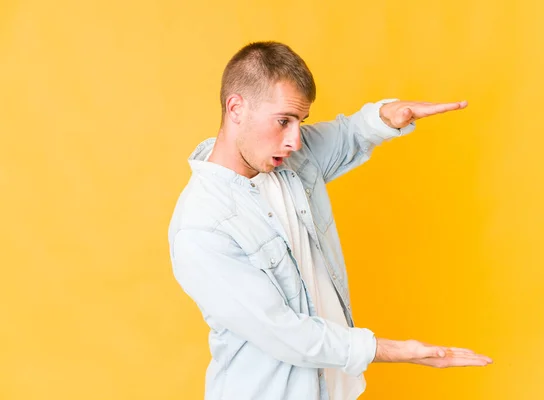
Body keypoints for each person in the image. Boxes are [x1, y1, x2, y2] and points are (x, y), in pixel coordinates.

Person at [167, 41, 492, 400]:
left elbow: (350, 133)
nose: (295, 140)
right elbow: (285, 333)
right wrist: (397, 351)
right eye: (283, 121)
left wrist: (388, 116)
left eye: (300, 123)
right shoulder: (202, 227)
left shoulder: (285, 160)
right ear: (236, 108)